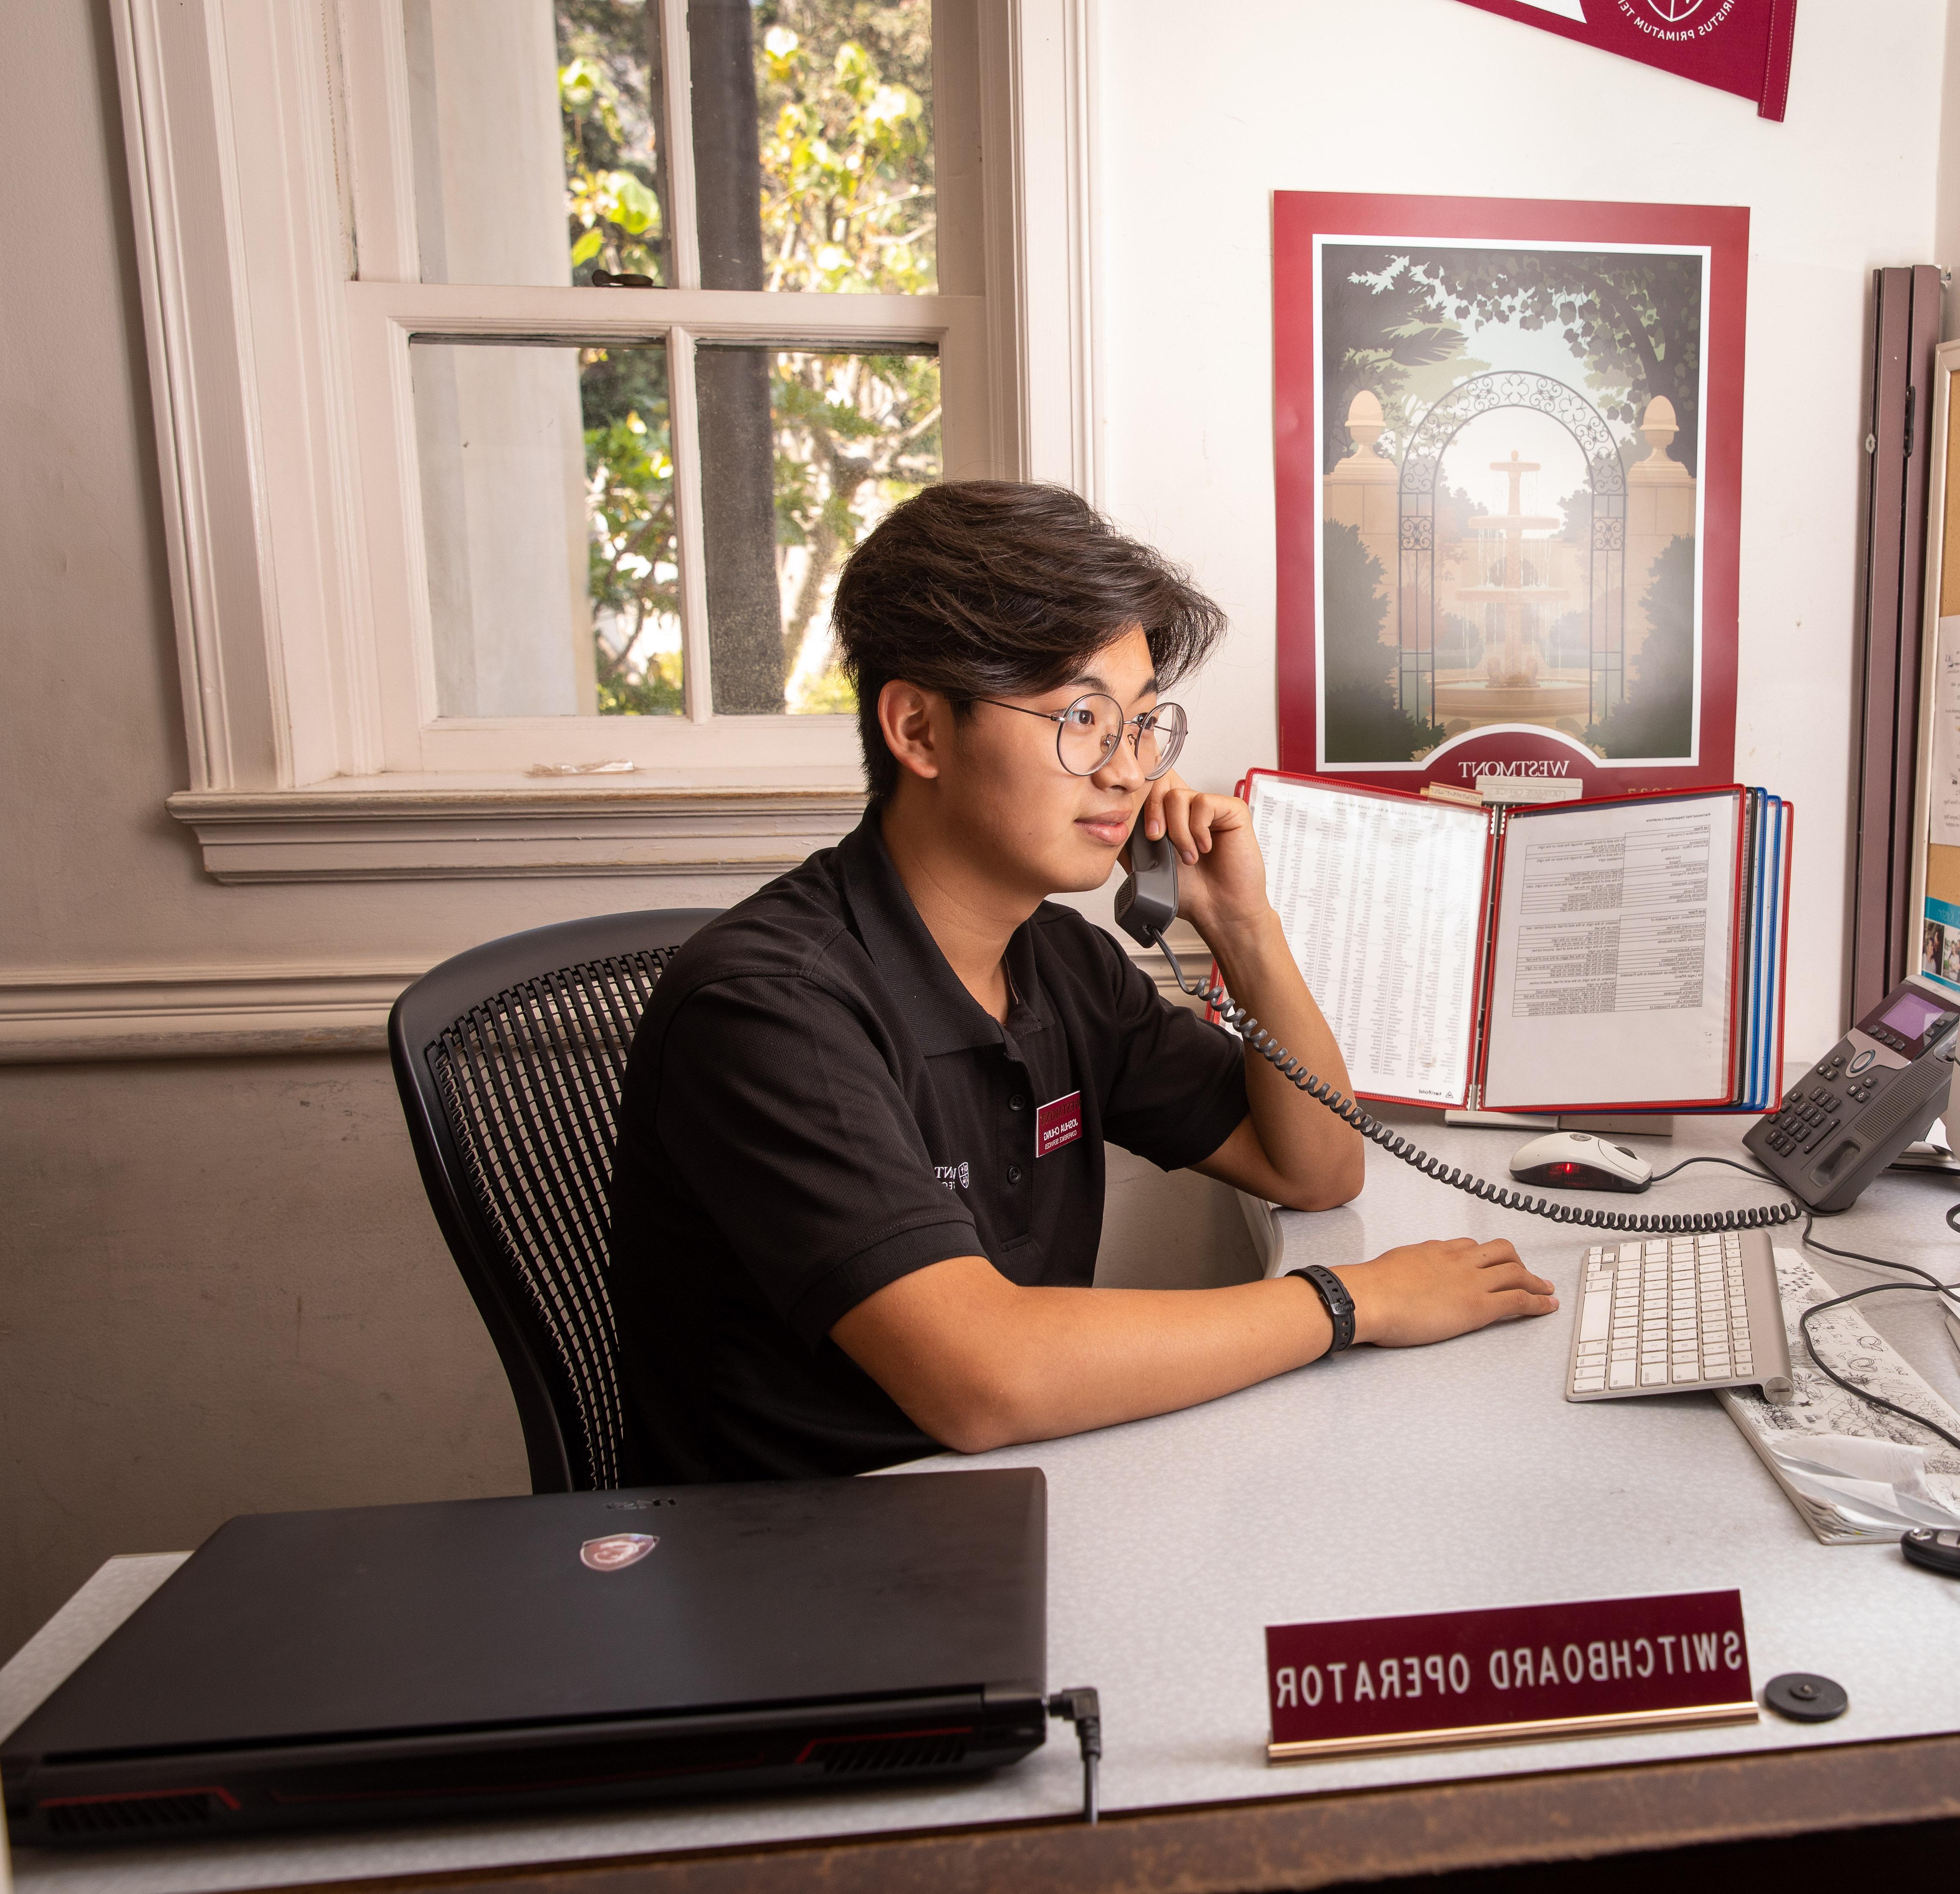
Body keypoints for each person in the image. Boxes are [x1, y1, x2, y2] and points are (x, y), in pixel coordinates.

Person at [608, 482, 1558, 1481]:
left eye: (1143, 724)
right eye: (1082, 718)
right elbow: (984, 1379)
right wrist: (1351, 1300)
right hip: (808, 1562)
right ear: (920, 731)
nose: (1127, 771)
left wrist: (1243, 924)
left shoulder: (1059, 960)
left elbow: (1317, 1166)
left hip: (1007, 1500)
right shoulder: (770, 1010)